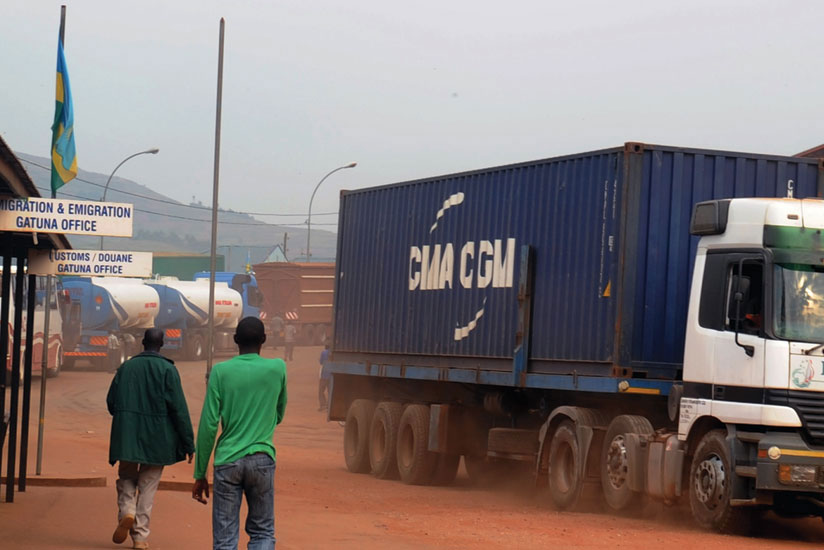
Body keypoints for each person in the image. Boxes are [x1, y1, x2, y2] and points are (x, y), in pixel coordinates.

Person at [192, 317, 288, 550]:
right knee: (263, 532)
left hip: (228, 462)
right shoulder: (277, 368)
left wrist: (200, 473)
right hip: (263, 458)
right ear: (264, 340)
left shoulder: (220, 372)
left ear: (235, 340)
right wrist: (260, 425)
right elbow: (279, 413)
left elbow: (208, 425)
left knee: (225, 539)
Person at [107, 328, 195, 549]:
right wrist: (188, 443)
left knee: (126, 474)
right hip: (158, 439)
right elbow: (179, 410)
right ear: (161, 344)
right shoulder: (168, 370)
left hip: (127, 435)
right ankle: (140, 536)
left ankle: (127, 510)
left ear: (142, 343)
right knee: (148, 486)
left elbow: (111, 402)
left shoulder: (126, 368)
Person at [318, 344, 331, 411]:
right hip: (332, 375)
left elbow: (321, 362)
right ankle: (329, 406)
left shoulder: (324, 352)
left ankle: (323, 405)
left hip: (324, 375)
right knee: (330, 391)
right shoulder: (333, 353)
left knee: (321, 391)